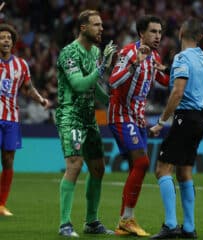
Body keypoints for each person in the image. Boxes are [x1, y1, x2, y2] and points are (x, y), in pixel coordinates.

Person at [55, 10, 117, 237]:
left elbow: (93, 87)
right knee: (74, 163)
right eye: (96, 25)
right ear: (83, 27)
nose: (102, 28)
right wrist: (102, 69)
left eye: (102, 24)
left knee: (98, 168)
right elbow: (80, 85)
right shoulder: (69, 53)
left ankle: (92, 222)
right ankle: (65, 224)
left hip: (89, 117)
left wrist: (112, 102)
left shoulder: (96, 52)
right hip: (70, 115)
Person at [149, 18, 203, 239]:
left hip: (184, 117)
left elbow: (178, 92)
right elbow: (188, 79)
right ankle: (189, 228)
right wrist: (165, 70)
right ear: (201, 36)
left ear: (182, 31)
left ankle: (171, 225)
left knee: (162, 168)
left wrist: (161, 121)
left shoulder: (182, 57)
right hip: (200, 120)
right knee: (184, 171)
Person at [108, 15, 169, 236]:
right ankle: (127, 219)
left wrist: (174, 70)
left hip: (139, 118)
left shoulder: (154, 57)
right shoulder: (128, 53)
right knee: (142, 163)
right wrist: (136, 64)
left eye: (160, 32)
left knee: (139, 167)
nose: (158, 36)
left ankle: (125, 221)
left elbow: (165, 81)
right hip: (121, 115)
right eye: (153, 31)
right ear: (141, 33)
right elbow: (113, 81)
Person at [0, 23, 50, 216]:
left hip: (11, 118)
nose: (5, 40)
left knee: (8, 160)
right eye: (2, 37)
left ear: (13, 43)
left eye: (8, 38)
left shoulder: (20, 65)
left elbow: (28, 88)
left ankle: (1, 204)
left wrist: (41, 99)